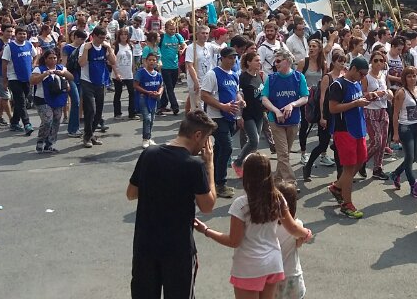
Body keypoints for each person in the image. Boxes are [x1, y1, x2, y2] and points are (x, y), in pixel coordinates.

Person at [193, 153, 312, 299]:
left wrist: (206, 230)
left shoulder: (241, 204)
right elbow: (292, 228)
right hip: (273, 264)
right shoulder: (277, 198)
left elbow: (234, 241)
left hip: (249, 266)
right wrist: (306, 233)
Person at [128, 109, 217, 299]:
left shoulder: (149, 154)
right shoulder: (194, 165)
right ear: (197, 135)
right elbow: (208, 206)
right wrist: (209, 166)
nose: (204, 146)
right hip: (178, 249)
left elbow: (131, 193)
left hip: (146, 244)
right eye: (206, 139)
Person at [327, 57, 373, 219]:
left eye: (365, 75)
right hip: (344, 130)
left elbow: (358, 99)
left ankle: (337, 187)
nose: (363, 77)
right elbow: (333, 108)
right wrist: (355, 104)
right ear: (352, 69)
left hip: (358, 128)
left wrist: (369, 97)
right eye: (361, 74)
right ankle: (347, 204)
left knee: (361, 161)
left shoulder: (357, 82)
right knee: (348, 167)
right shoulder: (338, 85)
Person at [201, 46, 243, 198]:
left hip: (230, 116)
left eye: (235, 58)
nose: (233, 60)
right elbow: (204, 95)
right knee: (227, 147)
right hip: (216, 117)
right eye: (230, 57)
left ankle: (210, 175)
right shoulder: (213, 74)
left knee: (219, 148)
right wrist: (222, 106)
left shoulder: (234, 75)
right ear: (222, 58)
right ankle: (220, 183)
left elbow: (236, 92)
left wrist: (240, 101)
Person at [261, 49, 309, 185]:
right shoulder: (271, 78)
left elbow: (305, 97)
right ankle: (291, 183)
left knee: (284, 154)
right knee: (283, 155)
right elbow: (264, 98)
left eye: (278, 61)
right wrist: (276, 111)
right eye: (274, 61)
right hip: (275, 121)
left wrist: (292, 104)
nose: (275, 64)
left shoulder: (299, 77)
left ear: (287, 61)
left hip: (293, 121)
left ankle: (275, 181)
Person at [302, 52, 346, 180]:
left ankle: (340, 175)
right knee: (323, 144)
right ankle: (308, 165)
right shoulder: (328, 77)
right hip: (327, 113)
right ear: (333, 62)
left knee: (338, 145)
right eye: (339, 61)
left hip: (339, 115)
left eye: (343, 61)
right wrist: (322, 116)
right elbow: (322, 98)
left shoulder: (344, 76)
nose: (342, 64)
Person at [79, 26, 120, 148]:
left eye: (104, 37)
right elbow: (81, 63)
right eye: (100, 37)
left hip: (100, 82)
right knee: (90, 109)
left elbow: (113, 62)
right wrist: (86, 50)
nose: (102, 40)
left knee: (99, 111)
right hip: (87, 81)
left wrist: (110, 49)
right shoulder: (86, 47)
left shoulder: (104, 47)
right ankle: (87, 136)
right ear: (94, 36)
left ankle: (91, 134)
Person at [29, 48, 74, 153]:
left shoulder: (61, 68)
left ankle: (50, 143)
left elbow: (71, 77)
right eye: (50, 58)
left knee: (57, 120)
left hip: (57, 98)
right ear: (45, 59)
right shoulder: (39, 69)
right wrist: (45, 74)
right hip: (42, 99)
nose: (53, 60)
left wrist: (63, 73)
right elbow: (32, 81)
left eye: (54, 58)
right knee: (47, 121)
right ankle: (41, 141)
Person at [389, 66, 417, 195]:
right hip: (405, 127)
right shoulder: (401, 92)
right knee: (409, 157)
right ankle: (413, 185)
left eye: (414, 76)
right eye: (409, 76)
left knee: (415, 157)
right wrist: (396, 133)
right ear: (405, 78)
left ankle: (395, 173)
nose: (412, 78)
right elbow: (395, 114)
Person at [273, 182, 307, 299]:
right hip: (292, 274)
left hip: (272, 276)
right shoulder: (297, 224)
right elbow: (298, 243)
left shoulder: (268, 224)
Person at [235, 51, 267, 177]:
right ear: (248, 62)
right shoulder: (243, 78)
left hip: (259, 113)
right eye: (256, 61)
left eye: (259, 60)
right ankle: (238, 162)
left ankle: (249, 167)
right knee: (254, 140)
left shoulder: (259, 75)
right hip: (247, 114)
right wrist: (239, 116)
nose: (259, 63)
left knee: (255, 144)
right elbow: (238, 95)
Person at [362, 50, 391, 180]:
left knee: (383, 142)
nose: (379, 63)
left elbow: (388, 91)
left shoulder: (384, 75)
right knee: (377, 142)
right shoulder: (366, 77)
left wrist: (389, 93)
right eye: (376, 60)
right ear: (371, 62)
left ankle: (377, 168)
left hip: (383, 110)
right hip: (370, 110)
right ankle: (361, 162)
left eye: (381, 60)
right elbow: (362, 94)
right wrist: (375, 94)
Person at [134, 52, 164, 149]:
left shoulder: (158, 74)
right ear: (146, 61)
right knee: (147, 118)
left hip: (153, 99)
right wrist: (147, 92)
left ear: (156, 62)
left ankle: (149, 137)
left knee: (152, 119)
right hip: (144, 98)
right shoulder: (141, 72)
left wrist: (159, 93)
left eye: (153, 60)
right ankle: (145, 139)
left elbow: (161, 86)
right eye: (150, 60)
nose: (151, 62)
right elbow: (135, 85)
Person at [158, 20, 186, 115]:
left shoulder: (177, 36)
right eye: (170, 29)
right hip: (164, 66)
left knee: (171, 87)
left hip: (174, 66)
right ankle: (175, 106)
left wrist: (183, 49)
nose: (173, 31)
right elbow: (156, 48)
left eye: (174, 29)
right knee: (169, 87)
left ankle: (162, 105)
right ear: (166, 29)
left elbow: (184, 45)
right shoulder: (162, 37)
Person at [113, 28, 136, 119]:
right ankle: (117, 113)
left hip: (128, 73)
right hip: (118, 73)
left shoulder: (130, 46)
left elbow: (132, 60)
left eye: (125, 34)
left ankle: (132, 113)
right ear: (119, 36)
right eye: (122, 34)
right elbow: (112, 61)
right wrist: (116, 73)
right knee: (118, 93)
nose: (123, 36)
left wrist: (134, 72)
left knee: (132, 92)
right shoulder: (116, 46)